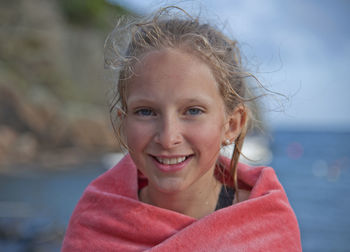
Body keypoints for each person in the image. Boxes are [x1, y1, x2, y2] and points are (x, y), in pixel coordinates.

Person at [62, 6, 301, 251]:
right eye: (146, 111)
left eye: (193, 111)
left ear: (232, 125)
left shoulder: (265, 229)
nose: (168, 138)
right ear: (124, 124)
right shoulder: (95, 222)